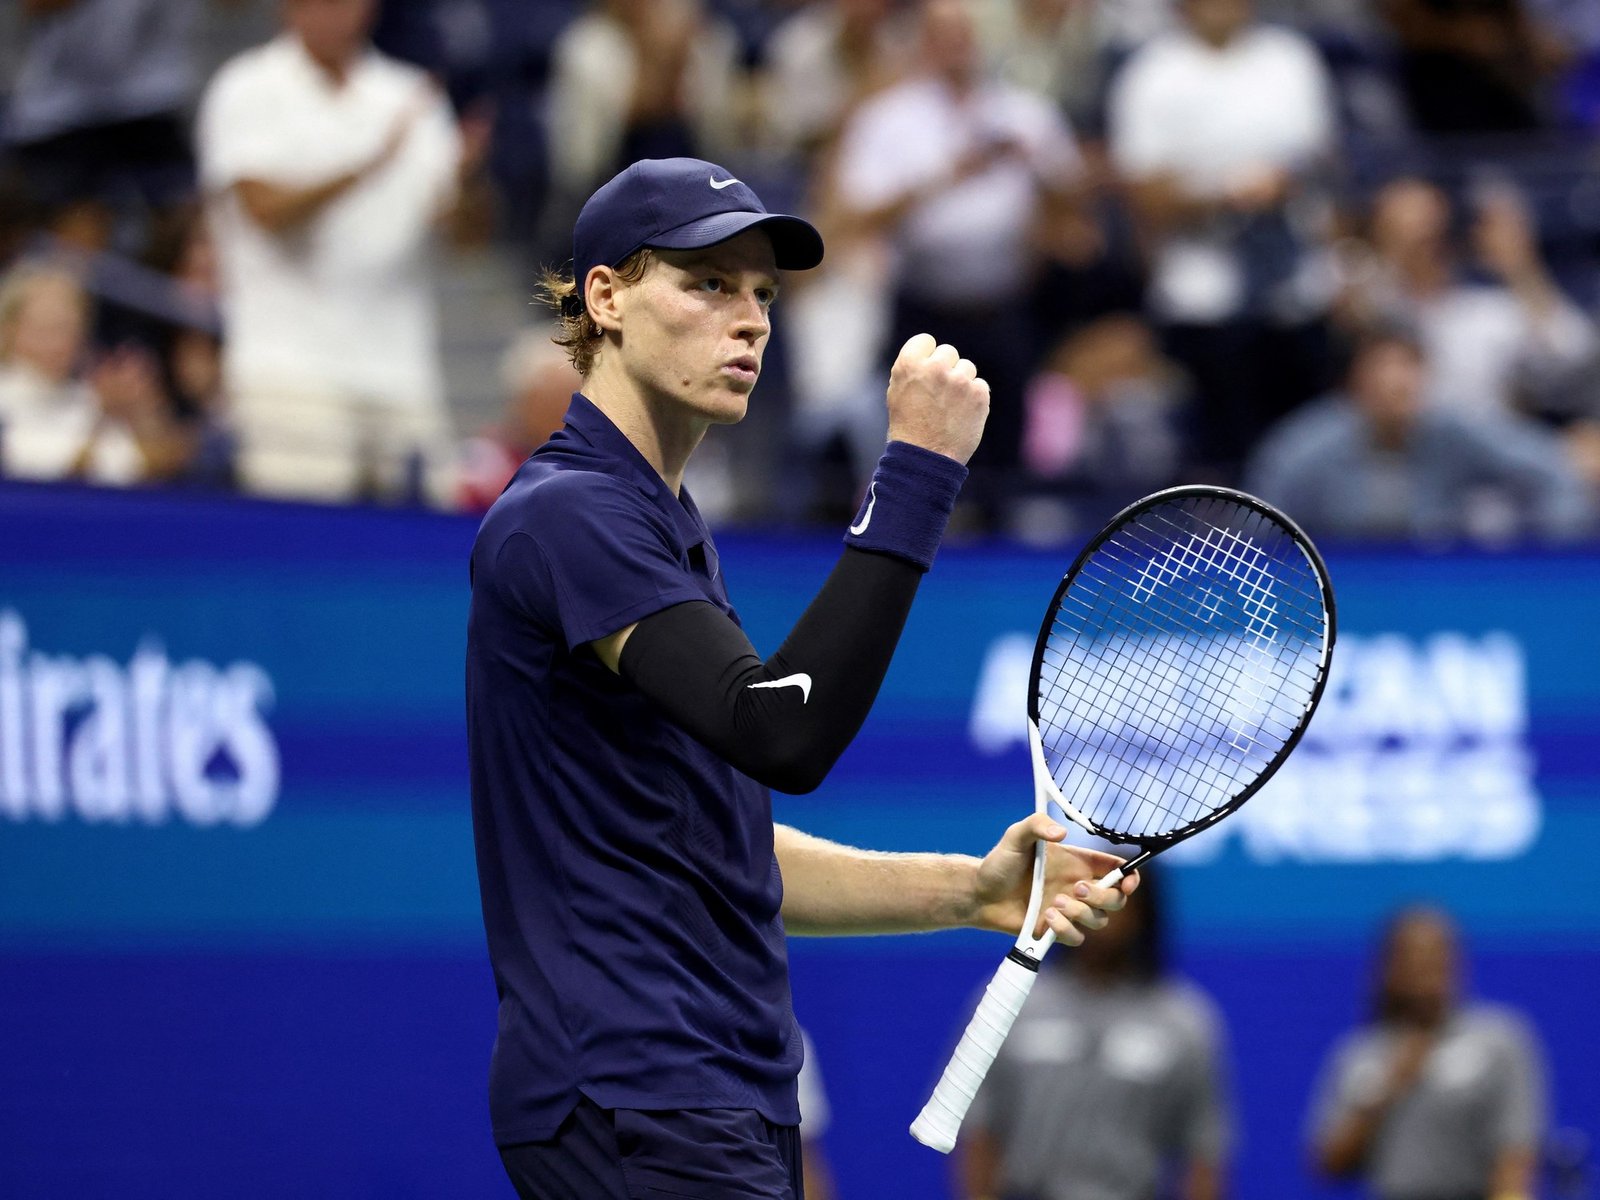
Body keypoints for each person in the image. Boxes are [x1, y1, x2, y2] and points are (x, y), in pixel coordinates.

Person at [466, 156, 1137, 1200]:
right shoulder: (569, 515)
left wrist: (969, 891)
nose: (751, 321)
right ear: (604, 298)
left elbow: (716, 845)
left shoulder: (657, 527)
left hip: (710, 1099)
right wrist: (916, 473)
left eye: (764, 295)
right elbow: (781, 734)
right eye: (707, 283)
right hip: (639, 1098)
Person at [196, 0, 484, 506]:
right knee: (300, 544)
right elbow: (262, 209)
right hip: (285, 362)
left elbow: (459, 237)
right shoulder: (245, 86)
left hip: (400, 364)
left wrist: (468, 188)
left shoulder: (412, 95)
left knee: (425, 536)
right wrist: (365, 167)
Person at [1107, 0, 1339, 476]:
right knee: (1218, 473)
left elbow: (1322, 158)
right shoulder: (1153, 74)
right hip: (1202, 304)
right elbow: (1143, 196)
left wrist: (1282, 184)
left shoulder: (1291, 59)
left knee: (1303, 463)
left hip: (1294, 296)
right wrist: (1226, 195)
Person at [958, 867, 1232, 1200]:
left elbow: (1203, 1150)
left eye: (1119, 903)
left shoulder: (1184, 1022)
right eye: (1092, 900)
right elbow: (980, 1130)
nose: (1104, 917)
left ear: (1145, 914)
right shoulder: (1013, 1002)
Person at [1243, 324, 1594, 542]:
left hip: (1439, 590)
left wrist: (1549, 560)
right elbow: (1256, 531)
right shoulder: (1303, 450)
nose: (1398, 385)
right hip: (1334, 597)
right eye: (1383, 373)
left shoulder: (1455, 432)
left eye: (1409, 371)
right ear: (1354, 382)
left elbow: (1553, 471)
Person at [1308, 905, 1549, 1200]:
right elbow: (1329, 1162)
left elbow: (1515, 1154)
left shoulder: (1499, 1041)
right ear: (1388, 968)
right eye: (1411, 959)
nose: (1424, 972)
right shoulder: (1361, 1052)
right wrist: (1387, 1089)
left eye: (1435, 957)